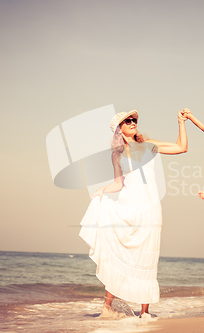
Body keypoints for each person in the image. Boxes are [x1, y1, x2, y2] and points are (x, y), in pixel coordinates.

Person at [79, 109, 189, 318]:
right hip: (127, 208)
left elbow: (181, 147)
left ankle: (144, 311)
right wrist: (102, 190)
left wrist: (180, 122)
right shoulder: (117, 155)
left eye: (134, 120)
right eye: (127, 121)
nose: (132, 122)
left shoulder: (149, 145)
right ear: (119, 129)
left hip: (150, 210)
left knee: (148, 258)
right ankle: (107, 307)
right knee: (118, 256)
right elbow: (119, 183)